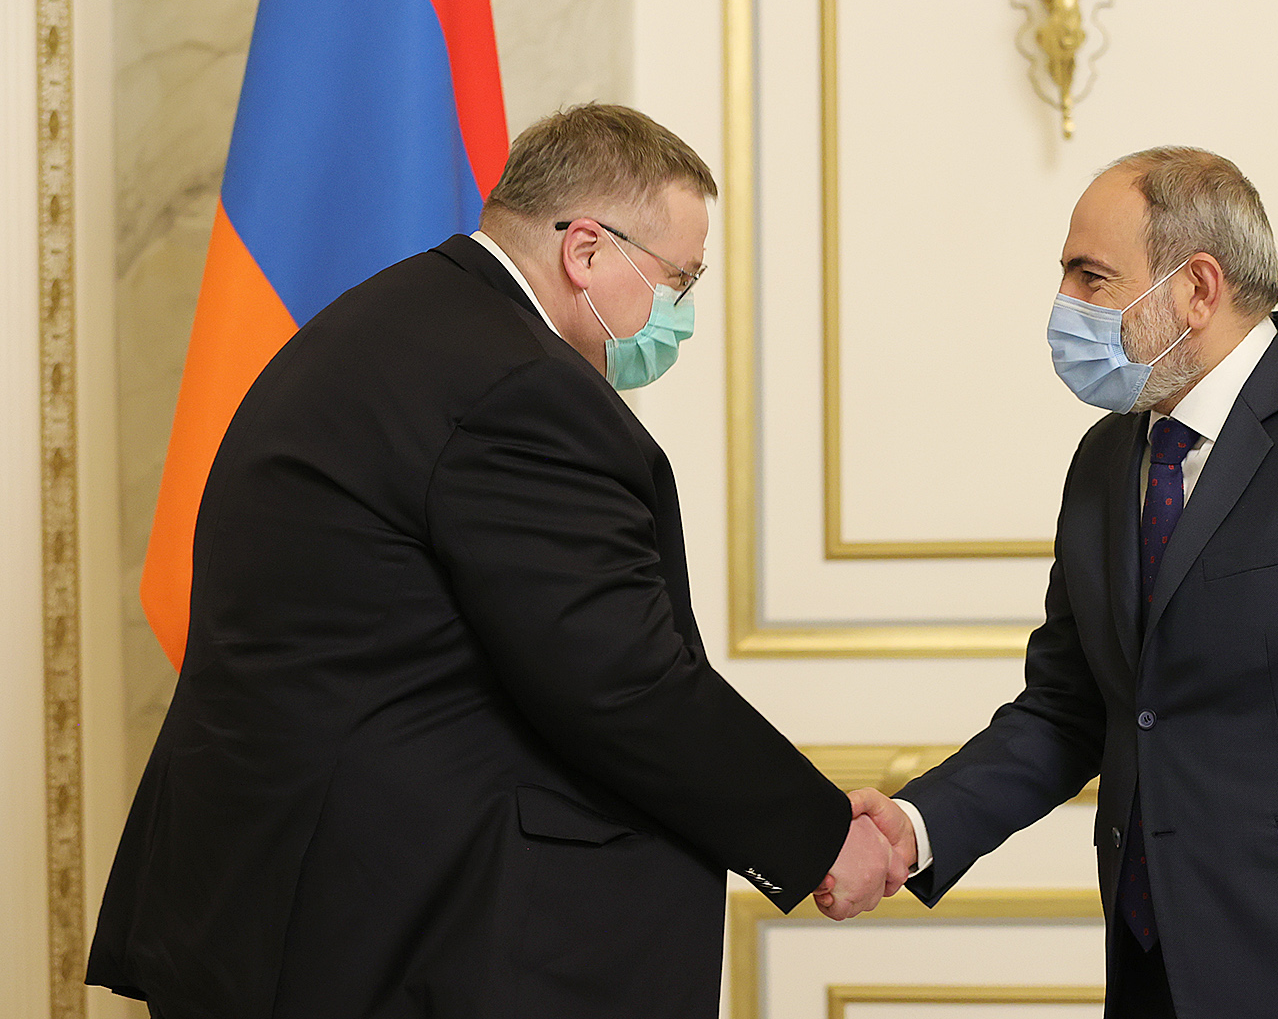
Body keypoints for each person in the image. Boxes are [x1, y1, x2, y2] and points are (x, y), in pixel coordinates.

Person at [88, 104, 899, 1019]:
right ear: (585, 250)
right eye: (678, 278)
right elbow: (621, 680)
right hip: (379, 928)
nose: (679, 312)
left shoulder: (396, 321)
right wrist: (817, 833)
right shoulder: (521, 389)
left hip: (282, 899)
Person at [852, 147, 1278, 1019]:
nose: (1064, 305)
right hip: (1153, 971)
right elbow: (1068, 710)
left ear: (1197, 288)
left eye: (1091, 277)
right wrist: (915, 826)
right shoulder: (1105, 459)